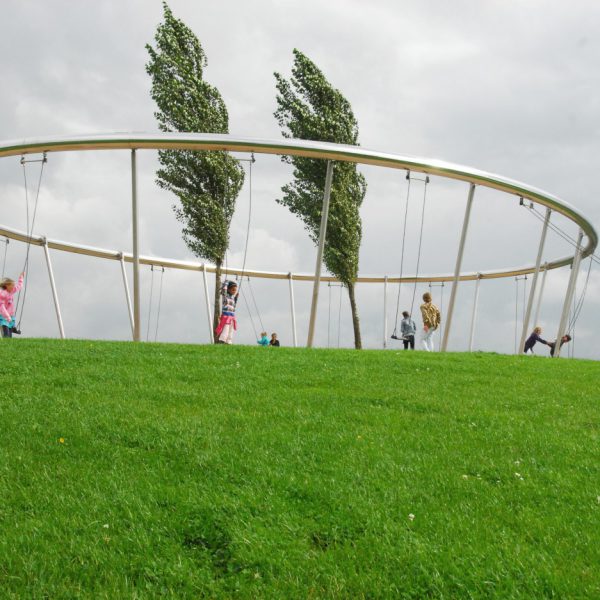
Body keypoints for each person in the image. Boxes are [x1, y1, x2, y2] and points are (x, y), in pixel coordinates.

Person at [0, 272, 24, 338]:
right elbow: (2, 308)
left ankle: (8, 347)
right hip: (4, 317)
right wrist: (7, 317)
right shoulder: (2, 294)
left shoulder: (11, 291)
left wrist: (21, 277)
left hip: (11, 317)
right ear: (7, 286)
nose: (13, 287)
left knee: (10, 337)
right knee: (6, 335)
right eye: (12, 285)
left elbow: (19, 286)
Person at [215, 280, 239, 344]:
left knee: (231, 330)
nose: (234, 291)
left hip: (231, 316)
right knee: (226, 328)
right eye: (233, 290)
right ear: (228, 290)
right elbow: (224, 290)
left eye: (235, 290)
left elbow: (233, 305)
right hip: (226, 316)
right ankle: (222, 340)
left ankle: (229, 341)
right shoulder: (225, 296)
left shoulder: (233, 298)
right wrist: (226, 283)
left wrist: (236, 298)